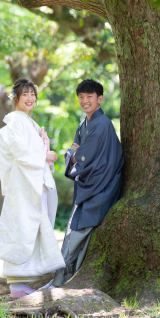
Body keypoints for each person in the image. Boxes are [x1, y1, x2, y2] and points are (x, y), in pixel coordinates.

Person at [0, 78, 66, 298]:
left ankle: (23, 282)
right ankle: (17, 283)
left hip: (29, 182)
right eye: (25, 94)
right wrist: (45, 155)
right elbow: (19, 151)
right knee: (23, 228)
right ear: (16, 98)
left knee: (31, 228)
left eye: (33, 94)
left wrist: (44, 150)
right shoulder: (16, 120)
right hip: (24, 184)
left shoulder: (27, 121)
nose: (30, 98)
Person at [51, 79, 123, 287]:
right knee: (74, 234)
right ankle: (64, 279)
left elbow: (78, 155)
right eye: (81, 97)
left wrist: (73, 153)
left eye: (89, 96)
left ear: (99, 99)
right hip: (91, 185)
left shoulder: (102, 125)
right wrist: (73, 153)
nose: (85, 101)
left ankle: (61, 281)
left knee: (77, 235)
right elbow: (74, 152)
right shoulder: (85, 124)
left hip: (100, 186)